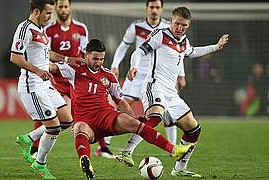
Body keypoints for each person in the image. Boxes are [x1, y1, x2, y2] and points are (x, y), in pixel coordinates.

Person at [50, 39, 195, 180]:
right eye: (95, 58)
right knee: (79, 128)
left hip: (106, 116)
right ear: (86, 55)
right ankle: (85, 160)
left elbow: (120, 102)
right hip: (86, 121)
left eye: (101, 59)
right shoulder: (74, 69)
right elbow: (50, 67)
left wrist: (132, 117)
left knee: (135, 124)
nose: (98, 62)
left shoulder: (108, 75)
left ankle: (174, 150)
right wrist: (41, 56)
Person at [127, 7, 229, 177]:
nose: (180, 28)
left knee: (194, 129)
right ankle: (127, 151)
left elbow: (193, 51)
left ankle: (179, 169)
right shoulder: (161, 34)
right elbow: (139, 51)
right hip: (155, 85)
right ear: (171, 21)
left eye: (184, 25)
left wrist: (216, 47)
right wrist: (134, 66)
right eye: (177, 24)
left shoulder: (184, 41)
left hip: (171, 92)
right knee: (155, 118)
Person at [28, 0, 113, 159]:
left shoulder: (80, 28)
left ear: (70, 8)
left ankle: (103, 148)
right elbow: (45, 52)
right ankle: (34, 147)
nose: (63, 9)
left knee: (87, 112)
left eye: (65, 6)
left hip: (76, 77)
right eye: (60, 6)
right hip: (57, 76)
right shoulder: (49, 29)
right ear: (56, 9)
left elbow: (85, 52)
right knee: (49, 111)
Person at [111, 0, 184, 166]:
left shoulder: (169, 27)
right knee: (123, 105)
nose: (154, 10)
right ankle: (107, 144)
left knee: (166, 113)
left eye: (158, 7)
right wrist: (116, 65)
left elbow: (179, 53)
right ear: (147, 9)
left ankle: (172, 148)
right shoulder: (136, 27)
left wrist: (181, 74)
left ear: (162, 9)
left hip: (162, 77)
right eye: (152, 7)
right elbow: (125, 47)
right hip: (138, 75)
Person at [10, 0, 70, 179]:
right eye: (48, 13)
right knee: (53, 128)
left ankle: (28, 139)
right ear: (36, 11)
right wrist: (37, 71)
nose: (50, 17)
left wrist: (68, 60)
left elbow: (46, 54)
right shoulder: (25, 28)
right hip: (32, 86)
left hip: (45, 84)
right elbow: (15, 57)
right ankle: (40, 164)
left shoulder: (41, 29)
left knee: (67, 120)